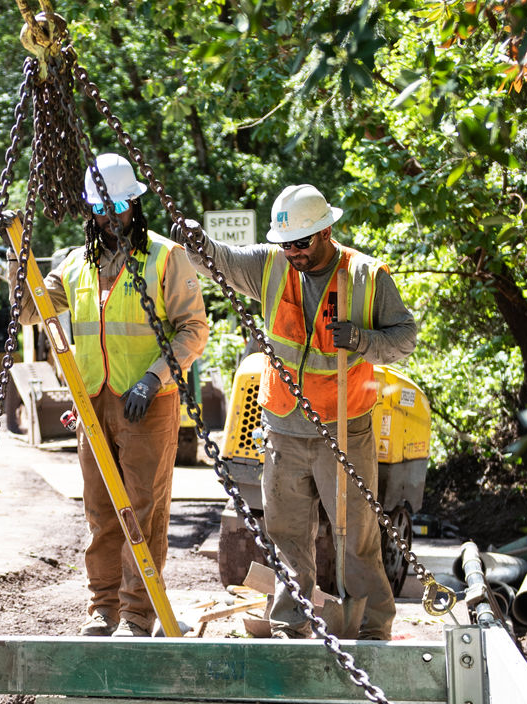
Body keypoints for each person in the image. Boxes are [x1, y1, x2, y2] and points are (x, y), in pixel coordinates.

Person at [172, 184, 416, 640]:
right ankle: (290, 622)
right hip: (283, 427)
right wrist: (196, 241)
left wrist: (363, 340)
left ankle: (372, 628)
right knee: (286, 535)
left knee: (356, 538)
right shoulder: (271, 266)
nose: (294, 254)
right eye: (287, 244)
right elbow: (218, 261)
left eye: (302, 243)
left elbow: (404, 338)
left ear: (326, 231)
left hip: (344, 429)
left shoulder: (365, 275)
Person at [13, 152, 209, 637]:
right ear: (89, 212)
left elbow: (194, 330)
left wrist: (154, 377)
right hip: (94, 405)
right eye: (101, 209)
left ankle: (138, 614)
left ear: (135, 205)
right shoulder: (75, 264)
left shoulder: (165, 257)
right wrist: (17, 264)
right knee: (101, 512)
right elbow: (28, 313)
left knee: (144, 510)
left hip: (148, 403)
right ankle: (104, 608)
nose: (111, 217)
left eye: (119, 206)